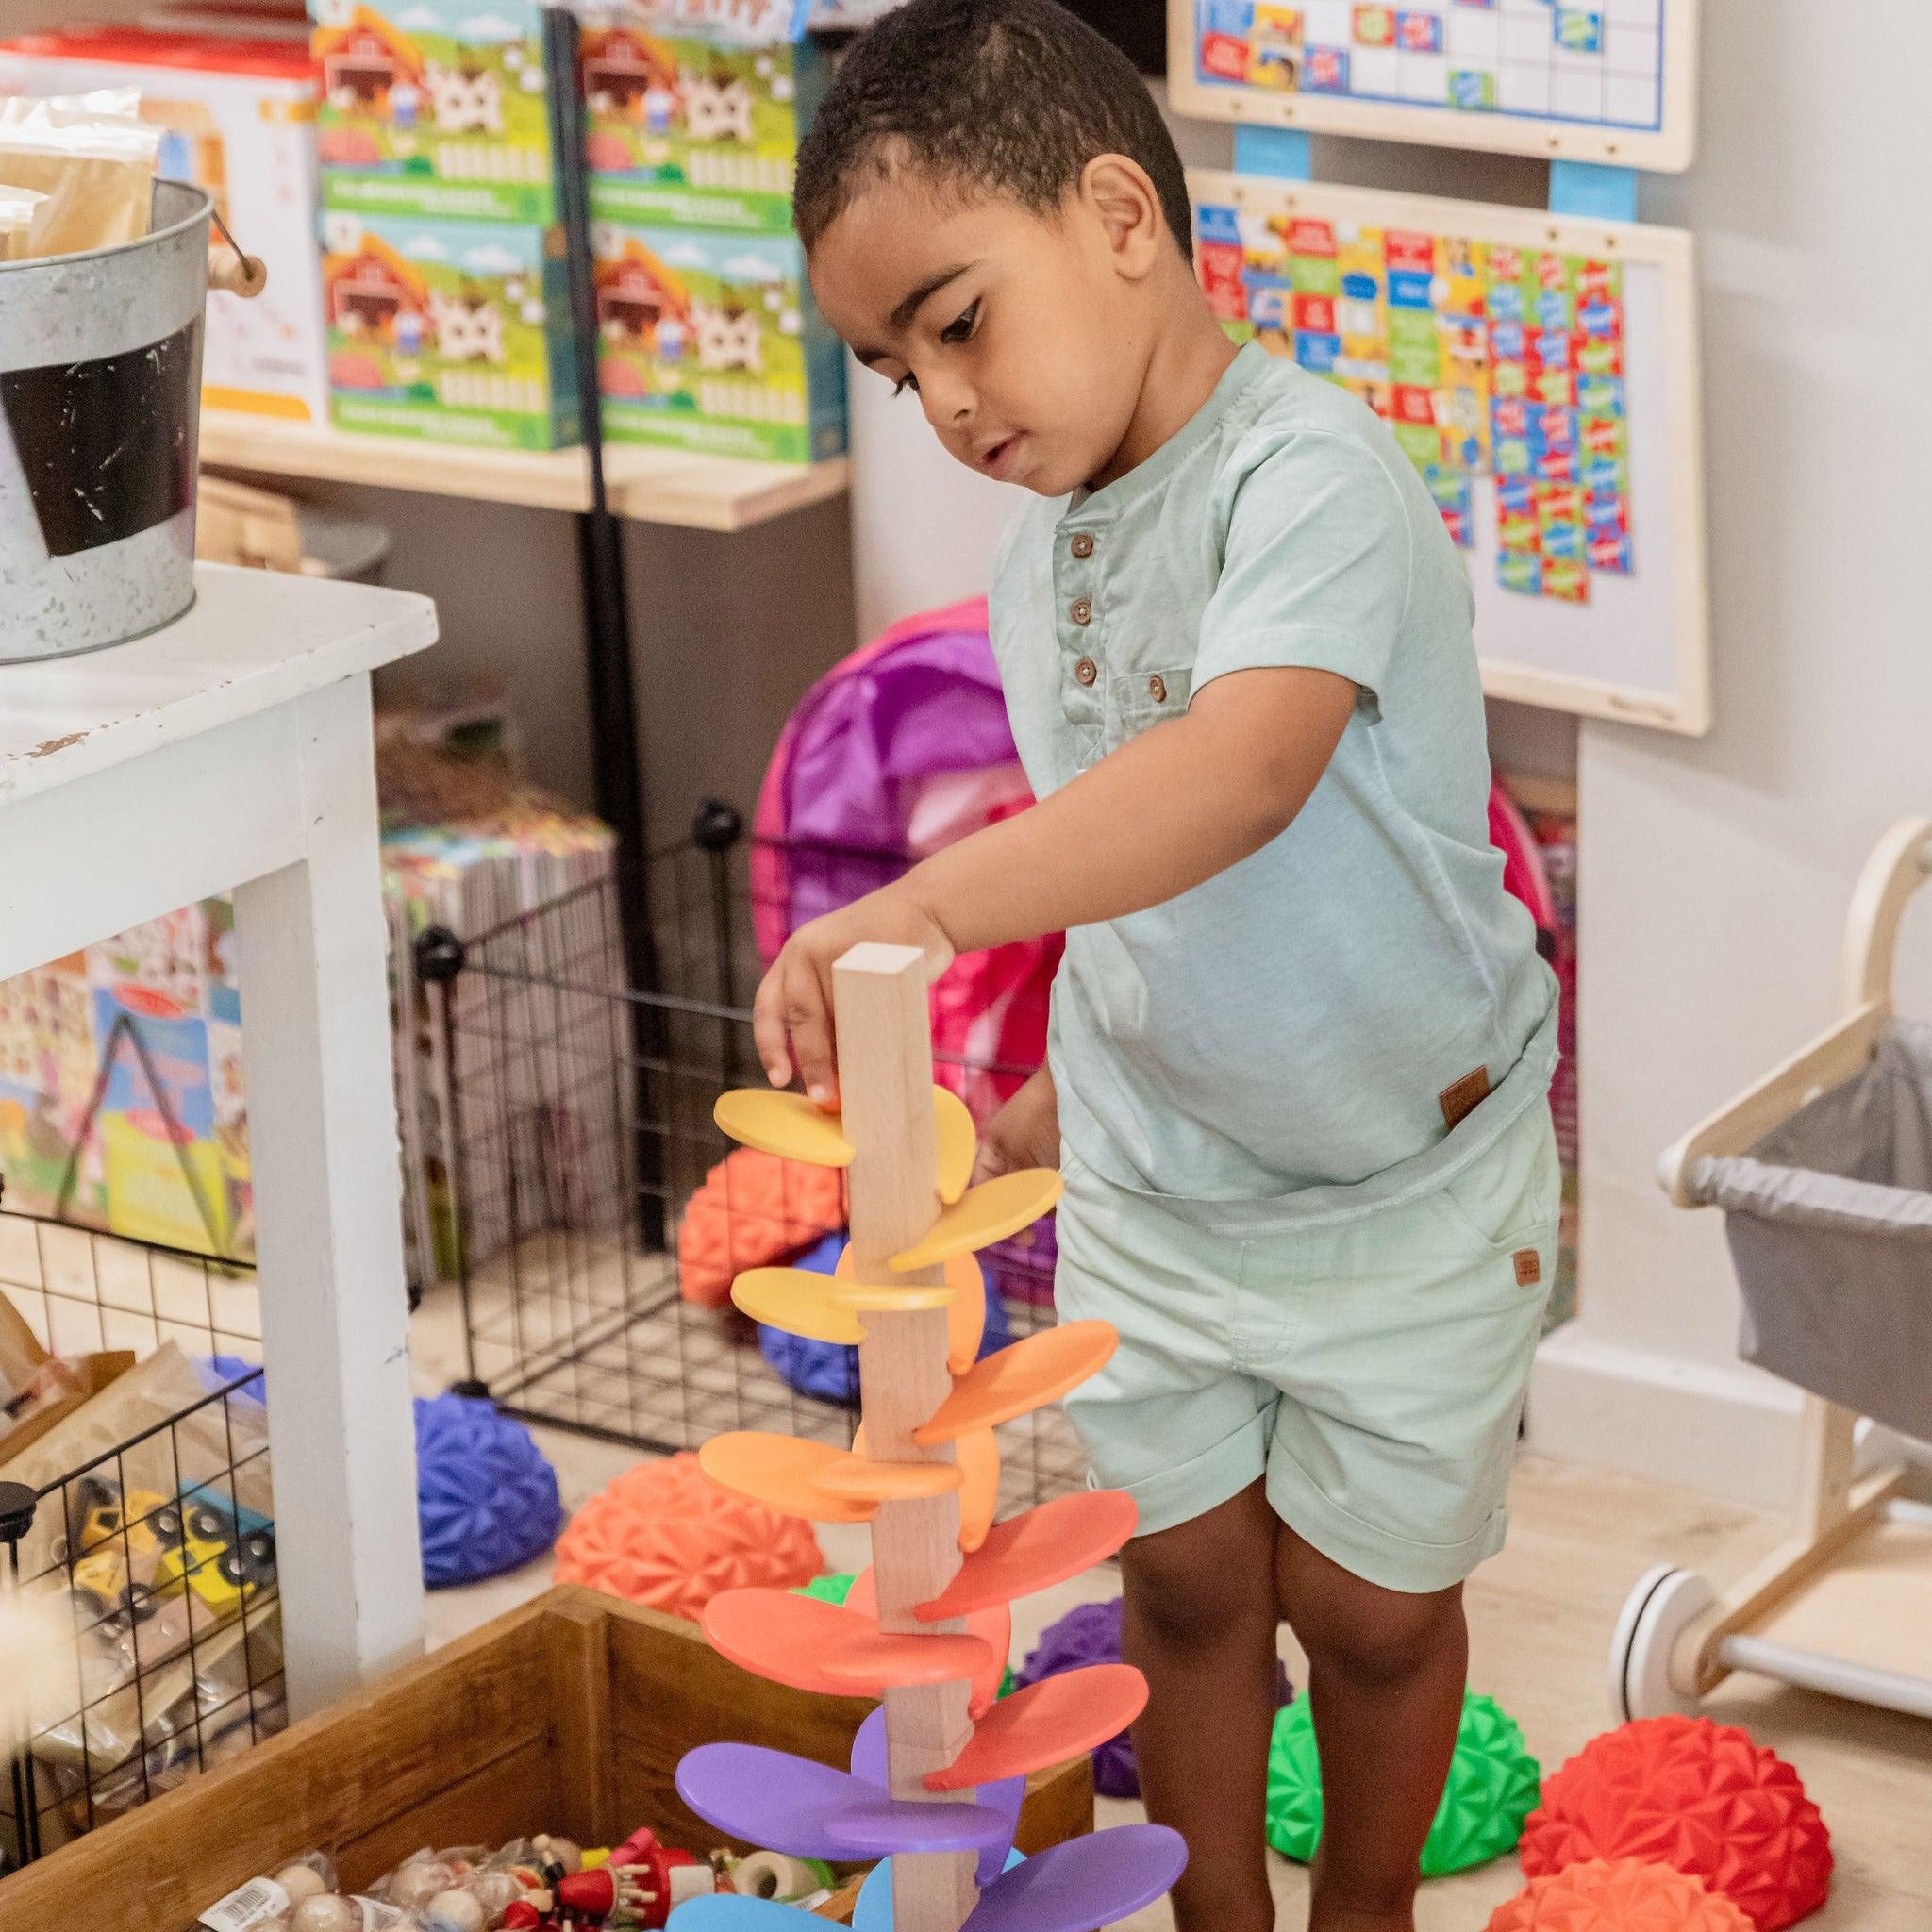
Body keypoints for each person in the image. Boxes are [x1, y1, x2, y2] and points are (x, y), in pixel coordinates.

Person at [759, 5, 1560, 1928]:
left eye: (957, 322)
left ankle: (1357, 1913)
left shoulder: (1313, 481)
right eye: (892, 369)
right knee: (1183, 1585)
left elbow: (1235, 777)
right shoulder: (1045, 547)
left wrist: (929, 903)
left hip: (1405, 1179)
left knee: (1370, 1609)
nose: (942, 402)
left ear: (1120, 214)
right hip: (1161, 1177)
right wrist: (1049, 1093)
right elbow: (1140, 880)